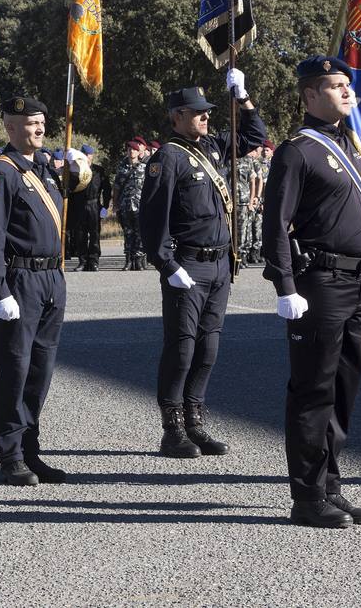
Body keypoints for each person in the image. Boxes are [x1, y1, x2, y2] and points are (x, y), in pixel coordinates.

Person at [261, 56, 361, 529]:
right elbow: (275, 222)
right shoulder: (298, 151)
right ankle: (307, 497)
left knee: (343, 391)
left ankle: (330, 485)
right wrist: (284, 284)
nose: (347, 92)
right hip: (320, 284)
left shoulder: (350, 144)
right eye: (335, 86)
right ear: (310, 95)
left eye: (348, 85)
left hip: (359, 283)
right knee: (313, 391)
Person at [139, 73, 266, 459]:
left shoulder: (212, 147)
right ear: (177, 117)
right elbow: (152, 218)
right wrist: (166, 264)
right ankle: (172, 429)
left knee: (208, 348)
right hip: (189, 264)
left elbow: (254, 136)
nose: (205, 119)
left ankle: (195, 422)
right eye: (197, 114)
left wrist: (242, 96)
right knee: (181, 348)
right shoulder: (168, 158)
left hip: (220, 264)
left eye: (207, 113)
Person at [0, 95, 69, 487]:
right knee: (15, 370)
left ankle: (31, 449)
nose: (39, 129)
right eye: (30, 123)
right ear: (10, 128)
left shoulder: (44, 170)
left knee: (40, 371)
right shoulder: (3, 172)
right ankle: (10, 453)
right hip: (20, 281)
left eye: (41, 122)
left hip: (50, 279)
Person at [66, 144, 110, 272]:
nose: (86, 157)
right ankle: (83, 261)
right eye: (84, 155)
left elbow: (106, 189)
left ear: (92, 156)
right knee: (80, 235)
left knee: (95, 234)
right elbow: (71, 190)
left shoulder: (98, 171)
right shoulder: (75, 170)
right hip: (79, 206)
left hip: (94, 205)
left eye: (88, 155)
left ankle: (94, 261)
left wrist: (105, 206)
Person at [113, 138, 149, 270]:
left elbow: (149, 188)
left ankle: (138, 260)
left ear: (138, 151)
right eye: (129, 149)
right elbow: (116, 187)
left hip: (140, 206)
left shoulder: (144, 168)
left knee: (139, 233)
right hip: (125, 206)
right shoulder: (122, 169)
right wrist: (115, 204)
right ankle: (128, 260)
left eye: (134, 149)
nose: (131, 151)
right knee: (128, 233)